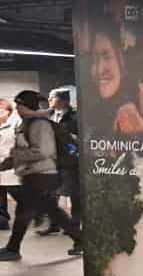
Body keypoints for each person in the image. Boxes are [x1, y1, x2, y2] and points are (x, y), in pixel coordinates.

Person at [0, 91, 83, 261]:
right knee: (50, 211)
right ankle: (81, 240)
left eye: (19, 105)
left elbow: (43, 151)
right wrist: (7, 163)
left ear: (27, 106)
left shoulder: (39, 125)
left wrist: (16, 155)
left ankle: (13, 249)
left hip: (42, 175)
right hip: (36, 175)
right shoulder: (28, 123)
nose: (17, 108)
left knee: (26, 212)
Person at [38, 89, 80, 235]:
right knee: (50, 193)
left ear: (63, 99)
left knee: (74, 193)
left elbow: (79, 138)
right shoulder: (49, 115)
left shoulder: (75, 116)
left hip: (69, 161)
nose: (49, 100)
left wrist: (72, 146)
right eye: (48, 97)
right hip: (52, 161)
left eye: (52, 97)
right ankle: (54, 223)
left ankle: (74, 225)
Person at [0, 99, 15, 230]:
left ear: (8, 112)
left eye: (2, 110)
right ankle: (2, 219)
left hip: (7, 166)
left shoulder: (13, 127)